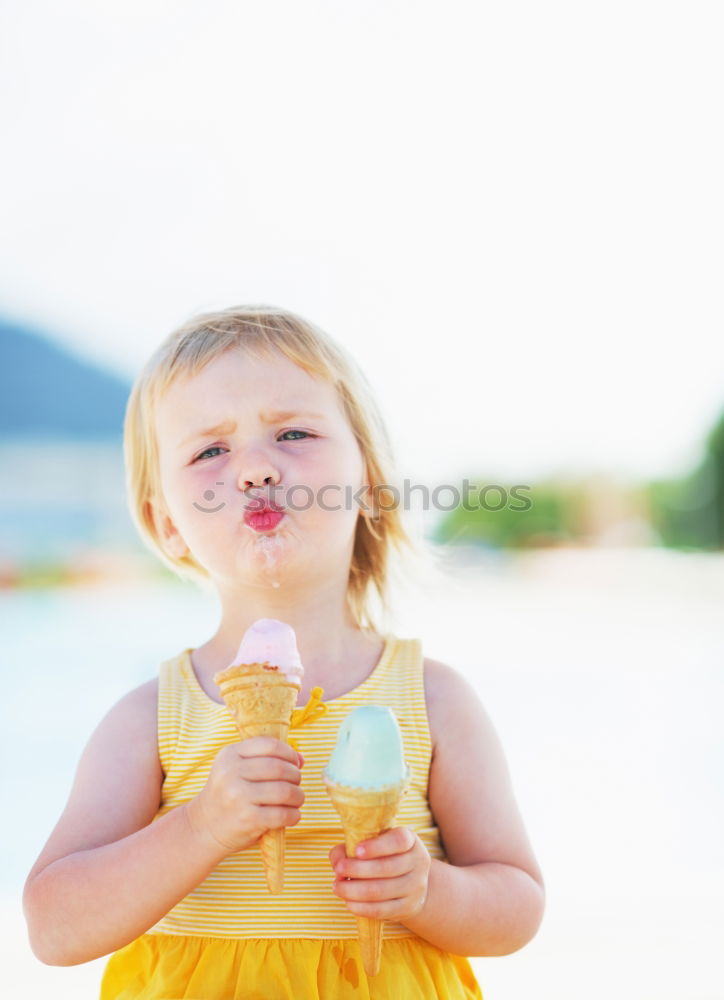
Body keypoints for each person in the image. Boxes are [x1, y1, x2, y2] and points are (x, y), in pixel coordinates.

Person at [23, 305, 545, 998]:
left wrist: (428, 891)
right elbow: (53, 929)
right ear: (166, 523)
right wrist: (199, 828)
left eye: (294, 433)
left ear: (370, 483)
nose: (256, 470)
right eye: (210, 451)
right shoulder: (150, 718)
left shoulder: (433, 700)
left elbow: (516, 907)